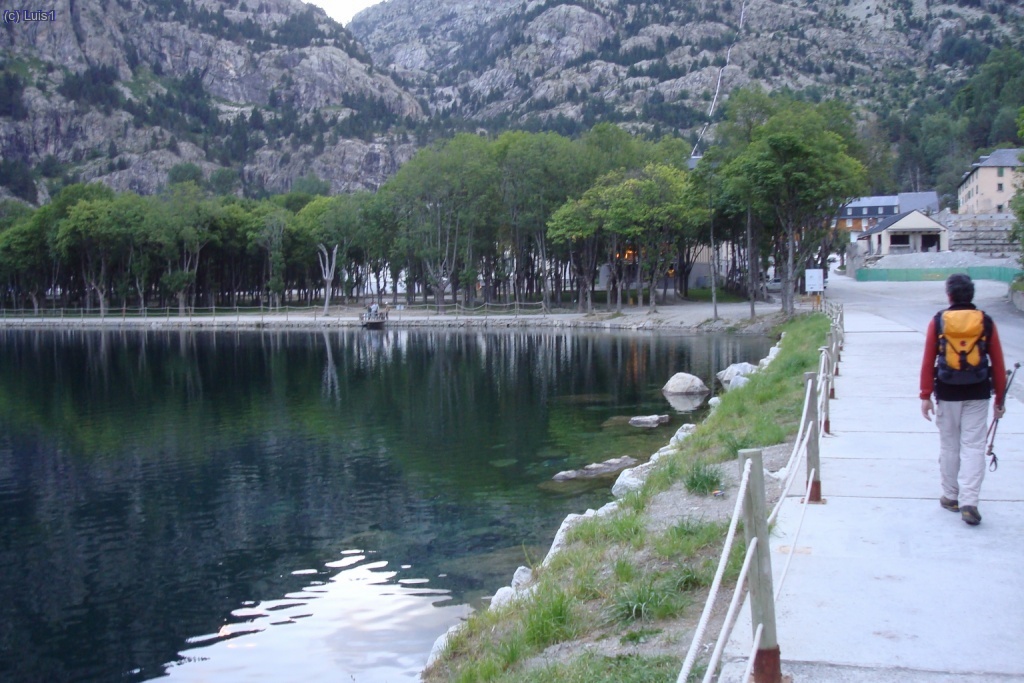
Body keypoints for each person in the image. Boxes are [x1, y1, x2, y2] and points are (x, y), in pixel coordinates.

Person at [920, 273, 1006, 526]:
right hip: (978, 392)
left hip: (947, 392)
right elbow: (998, 363)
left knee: (950, 446)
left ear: (949, 295)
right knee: (974, 446)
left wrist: (925, 395)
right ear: (971, 295)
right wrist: (1000, 400)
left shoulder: (939, 322)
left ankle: (950, 496)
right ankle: (970, 502)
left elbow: (928, 360)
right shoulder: (985, 321)